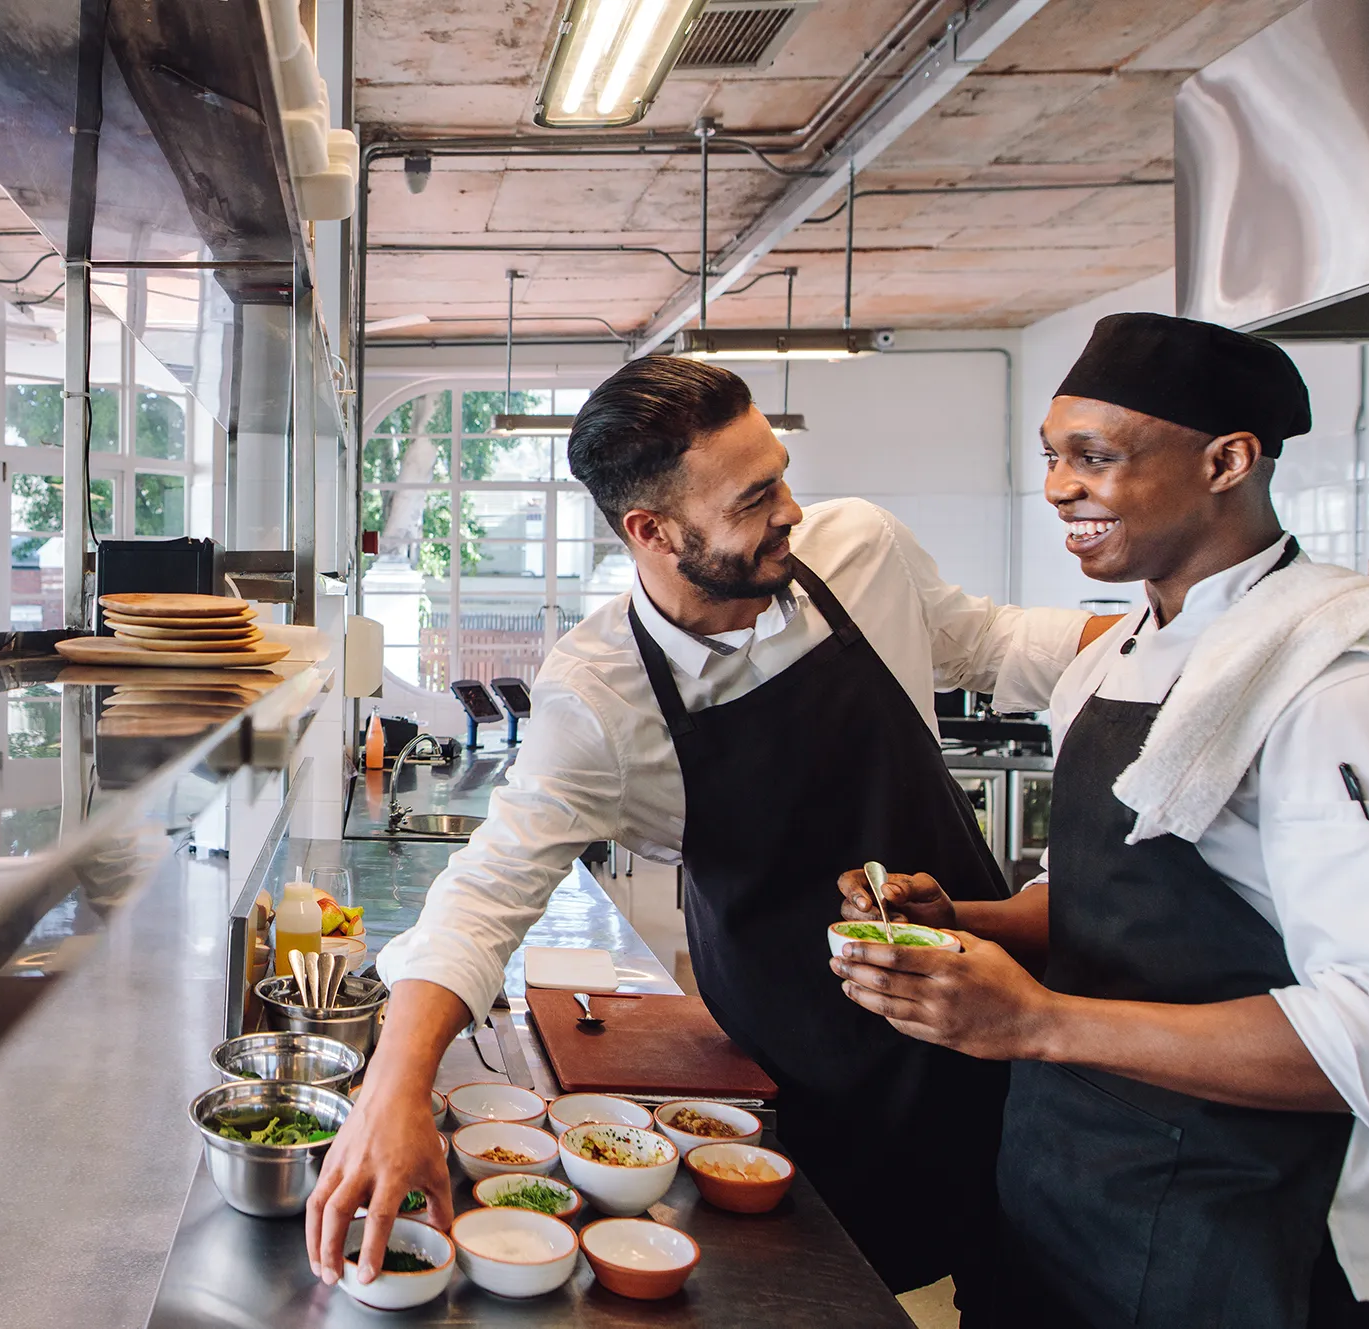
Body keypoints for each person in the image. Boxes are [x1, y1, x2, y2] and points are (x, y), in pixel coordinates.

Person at [307, 356, 1089, 1306]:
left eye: (783, 474)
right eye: (756, 498)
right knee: (829, 1299)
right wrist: (396, 1081)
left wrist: (1188, 632)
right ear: (652, 530)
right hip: (813, 1084)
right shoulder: (598, 695)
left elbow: (993, 644)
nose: (792, 510)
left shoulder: (860, 551)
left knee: (1039, 1290)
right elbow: (488, 891)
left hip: (1010, 1026)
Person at [833, 313, 1369, 1327]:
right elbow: (1104, 899)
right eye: (1053, 457)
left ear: (1228, 460)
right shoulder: (1110, 659)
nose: (1060, 487)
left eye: (1095, 458)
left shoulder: (1340, 679)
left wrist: (1040, 1022)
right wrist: (965, 921)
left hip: (1241, 1213)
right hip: (1064, 1175)